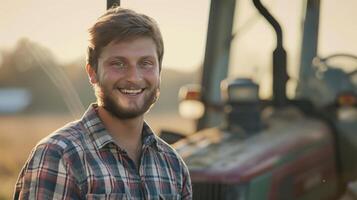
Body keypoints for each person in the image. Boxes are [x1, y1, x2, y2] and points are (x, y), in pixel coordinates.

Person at [14, 7, 192, 200]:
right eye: (118, 63)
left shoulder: (173, 164)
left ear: (159, 71)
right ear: (92, 72)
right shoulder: (60, 156)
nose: (133, 77)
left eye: (146, 63)